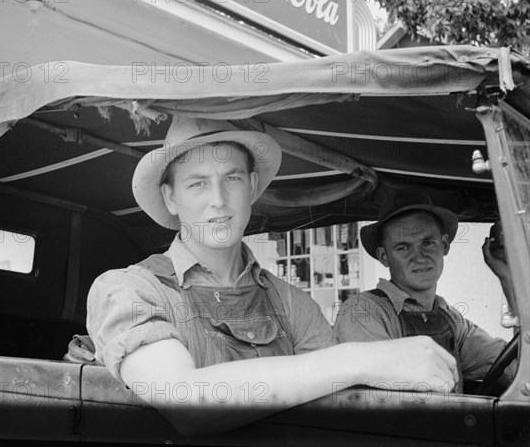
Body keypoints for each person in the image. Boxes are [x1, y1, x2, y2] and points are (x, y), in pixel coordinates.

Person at [86, 117, 458, 436]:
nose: (218, 199)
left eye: (231, 178)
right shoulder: (127, 290)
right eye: (197, 183)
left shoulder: (292, 304)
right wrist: (364, 359)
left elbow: (336, 416)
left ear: (250, 186)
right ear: (170, 198)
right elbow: (186, 402)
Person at [332, 191, 517, 392]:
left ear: (444, 245)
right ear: (384, 257)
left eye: (427, 243)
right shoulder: (363, 312)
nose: (419, 257)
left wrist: (508, 277)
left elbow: (516, 368)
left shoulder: (450, 319)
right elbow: (384, 407)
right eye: (403, 248)